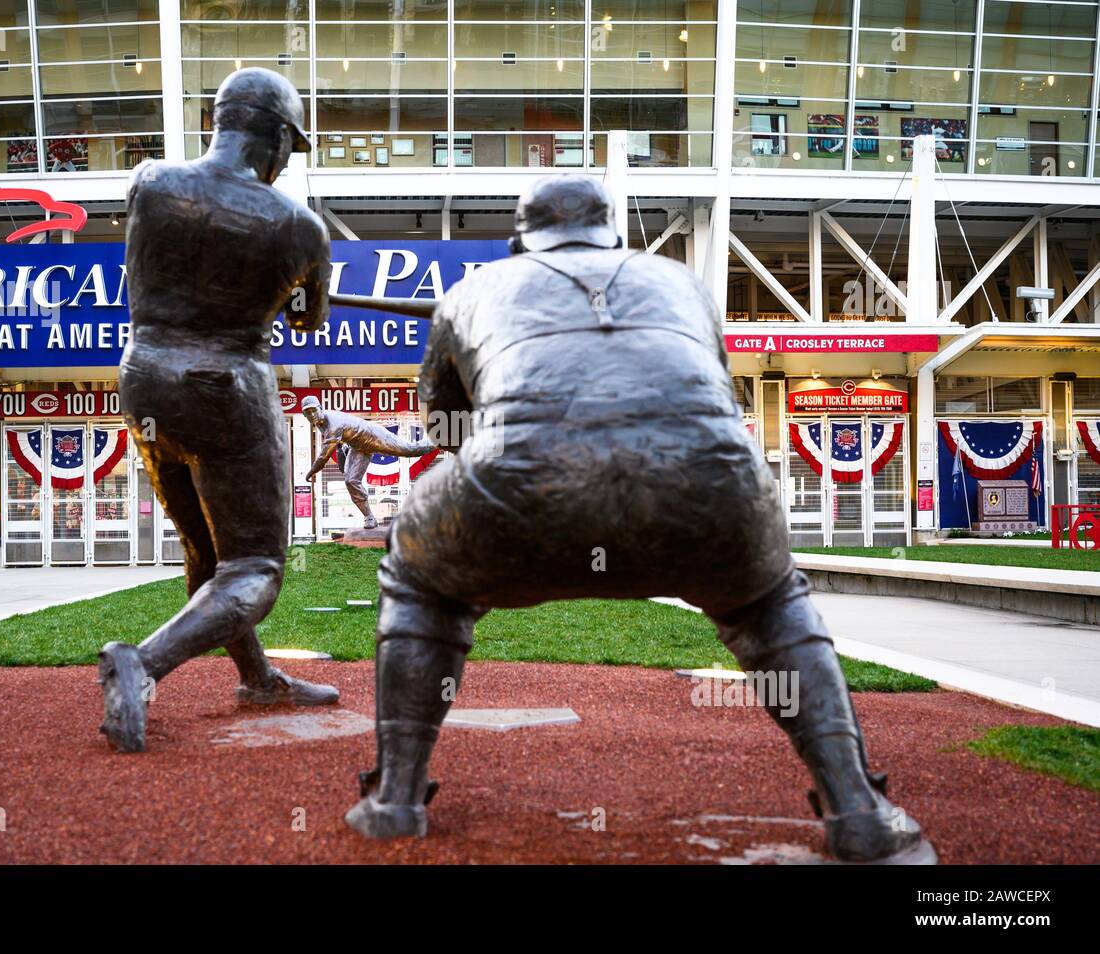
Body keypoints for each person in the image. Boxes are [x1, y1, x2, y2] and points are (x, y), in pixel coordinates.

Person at [344, 175, 935, 864]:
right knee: (772, 607)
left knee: (420, 581)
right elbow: (709, 391)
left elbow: (446, 430)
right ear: (611, 235)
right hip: (713, 492)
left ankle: (395, 801)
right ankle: (857, 809)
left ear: (519, 238)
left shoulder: (472, 290)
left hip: (520, 497)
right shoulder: (678, 280)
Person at [98, 68, 339, 754]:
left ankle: (258, 677)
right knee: (256, 565)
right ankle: (143, 662)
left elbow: (150, 268)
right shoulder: (299, 226)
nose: (289, 158)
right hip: (223, 386)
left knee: (207, 551)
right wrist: (308, 280)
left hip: (143, 377)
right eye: (291, 143)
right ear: (273, 137)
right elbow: (308, 322)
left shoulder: (149, 181)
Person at [301, 395, 439, 529]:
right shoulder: (320, 423)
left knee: (409, 449)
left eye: (314, 410)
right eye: (307, 412)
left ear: (320, 408)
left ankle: (439, 440)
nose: (312, 414)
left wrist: (312, 471)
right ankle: (370, 517)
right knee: (351, 481)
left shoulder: (331, 423)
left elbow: (324, 456)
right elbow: (338, 444)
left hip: (373, 436)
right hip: (358, 446)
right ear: (304, 416)